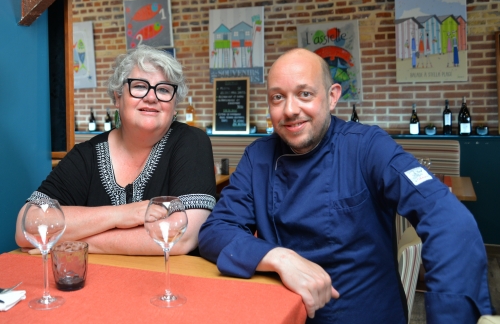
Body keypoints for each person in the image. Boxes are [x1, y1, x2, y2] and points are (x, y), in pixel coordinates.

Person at [198, 48, 493, 323]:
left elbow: (450, 221)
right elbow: (215, 231)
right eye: (278, 97)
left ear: (332, 96)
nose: (290, 110)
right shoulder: (258, 157)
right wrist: (279, 257)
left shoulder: (368, 147)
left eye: (304, 94)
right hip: (286, 314)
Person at [15, 45, 216, 256]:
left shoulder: (191, 141)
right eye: (139, 86)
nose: (151, 97)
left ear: (174, 106)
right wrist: (121, 215)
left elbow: (182, 238)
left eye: (164, 89)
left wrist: (77, 241)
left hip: (170, 284)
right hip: (97, 283)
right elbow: (25, 227)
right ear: (117, 97)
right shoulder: (86, 155)